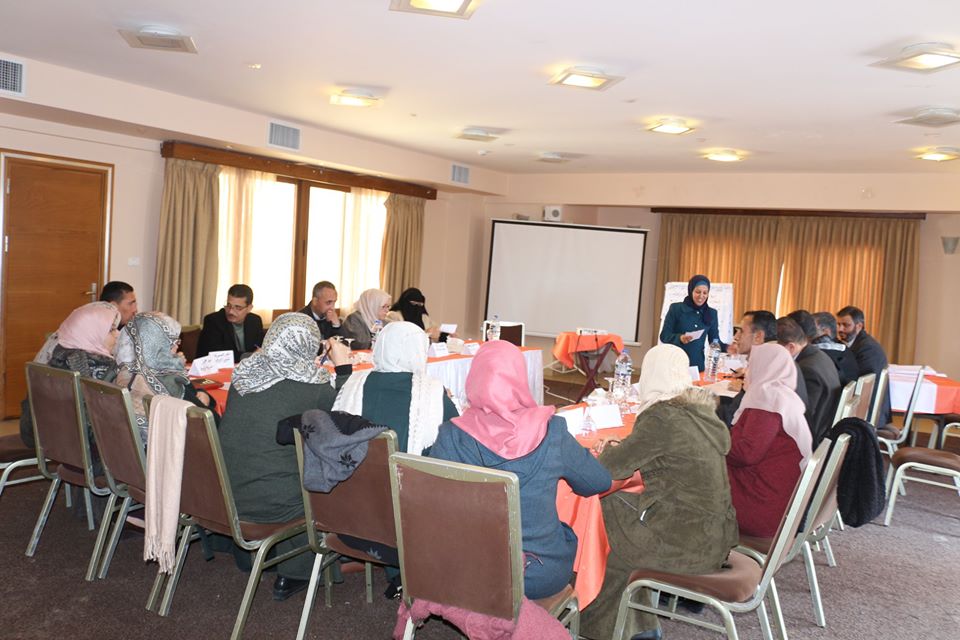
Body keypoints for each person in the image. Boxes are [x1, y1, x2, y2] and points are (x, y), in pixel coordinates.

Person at [428, 341, 611, 600]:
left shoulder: (451, 434)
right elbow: (598, 482)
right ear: (520, 379)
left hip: (471, 570)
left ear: (475, 378)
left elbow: (432, 502)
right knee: (565, 533)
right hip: (538, 573)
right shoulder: (552, 431)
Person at [580, 345, 738, 640]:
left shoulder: (663, 416)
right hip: (715, 537)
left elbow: (609, 470)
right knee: (620, 521)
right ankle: (641, 626)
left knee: (601, 521)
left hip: (684, 544)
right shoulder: (700, 413)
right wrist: (625, 447)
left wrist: (609, 449)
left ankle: (599, 630)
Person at [218, 313, 352, 601]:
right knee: (334, 471)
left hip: (226, 494)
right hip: (274, 505)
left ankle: (256, 554)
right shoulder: (314, 387)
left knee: (275, 460)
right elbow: (345, 421)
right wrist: (343, 369)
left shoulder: (245, 371)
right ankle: (296, 571)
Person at [332, 320, 460, 598]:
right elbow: (458, 441)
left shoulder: (353, 383)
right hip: (403, 523)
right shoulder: (431, 392)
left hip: (346, 514)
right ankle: (409, 572)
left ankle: (397, 572)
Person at [727, 343, 812, 538]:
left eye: (751, 364)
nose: (747, 370)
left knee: (691, 477)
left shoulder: (766, 399)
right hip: (774, 498)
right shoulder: (782, 395)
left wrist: (712, 441)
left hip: (759, 506)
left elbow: (746, 454)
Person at [114, 312, 218, 447]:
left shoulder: (121, 371)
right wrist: (206, 396)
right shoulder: (166, 380)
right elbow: (210, 421)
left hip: (127, 448)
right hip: (164, 452)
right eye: (172, 342)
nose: (177, 347)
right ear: (157, 345)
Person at [718, 310, 809, 427]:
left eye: (741, 331)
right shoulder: (775, 357)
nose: (735, 337)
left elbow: (735, 416)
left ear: (758, 336)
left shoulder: (769, 363)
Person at [778, 315, 841, 446]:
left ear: (790, 347)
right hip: (824, 429)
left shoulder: (806, 369)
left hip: (810, 440)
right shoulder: (818, 355)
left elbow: (802, 414)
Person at [836, 306, 890, 428]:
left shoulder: (868, 349)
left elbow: (863, 384)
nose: (840, 329)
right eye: (838, 324)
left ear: (859, 326)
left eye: (846, 325)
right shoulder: (854, 343)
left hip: (868, 410)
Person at [659, 275, 723, 372]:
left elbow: (714, 341)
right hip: (675, 364)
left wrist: (730, 348)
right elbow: (664, 336)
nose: (701, 296)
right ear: (691, 290)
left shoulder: (711, 313)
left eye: (705, 293)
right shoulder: (676, 309)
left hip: (697, 365)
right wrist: (680, 338)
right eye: (698, 292)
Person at [196, 284, 264, 362]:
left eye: (238, 307)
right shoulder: (213, 321)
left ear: (249, 308)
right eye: (229, 305)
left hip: (249, 367)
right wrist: (250, 356)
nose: (230, 311)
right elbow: (218, 355)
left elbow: (261, 349)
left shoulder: (255, 321)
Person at [811, 311, 859, 386]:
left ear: (826, 331)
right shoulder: (844, 349)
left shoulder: (822, 354)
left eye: (812, 330)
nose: (808, 333)